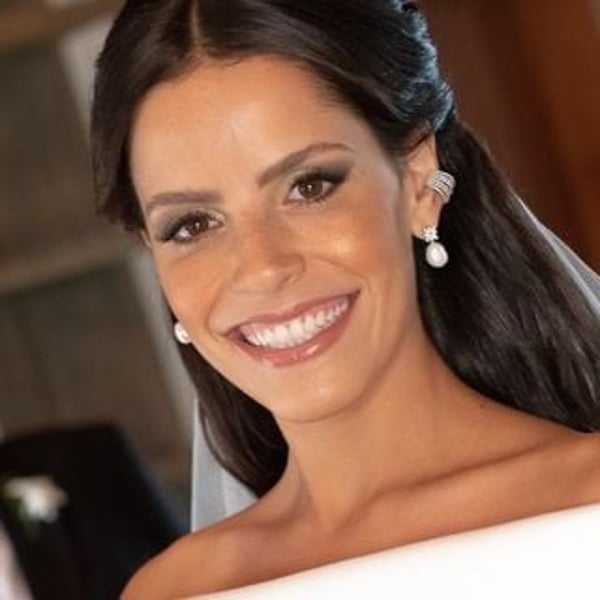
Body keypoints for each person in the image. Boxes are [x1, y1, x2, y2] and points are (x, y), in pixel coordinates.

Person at [91, 1, 600, 597]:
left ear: (419, 182)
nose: (264, 268)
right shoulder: (173, 591)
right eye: (192, 225)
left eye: (309, 187)